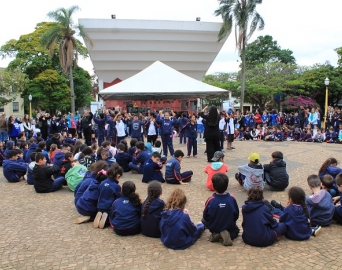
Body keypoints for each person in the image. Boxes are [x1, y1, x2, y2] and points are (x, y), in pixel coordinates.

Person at [202, 173, 239, 246]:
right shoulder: (232, 199)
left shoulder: (211, 200)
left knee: (203, 220)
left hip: (214, 226)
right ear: (227, 185)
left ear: (213, 186)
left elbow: (205, 216)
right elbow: (236, 215)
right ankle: (228, 235)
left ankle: (216, 234)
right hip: (229, 225)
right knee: (236, 230)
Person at [95, 164, 123, 229]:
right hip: (109, 207)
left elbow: (98, 193)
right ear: (118, 175)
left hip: (99, 205)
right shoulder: (116, 186)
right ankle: (107, 219)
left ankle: (100, 215)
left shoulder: (102, 183)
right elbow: (119, 197)